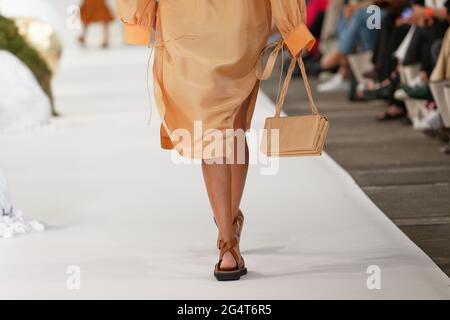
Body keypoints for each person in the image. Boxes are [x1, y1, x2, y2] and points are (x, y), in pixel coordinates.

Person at [116, 0, 315, 281]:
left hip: (191, 18)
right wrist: (292, 25)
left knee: (215, 126)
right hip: (235, 18)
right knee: (229, 125)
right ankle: (228, 233)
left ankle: (228, 235)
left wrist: (137, 16)